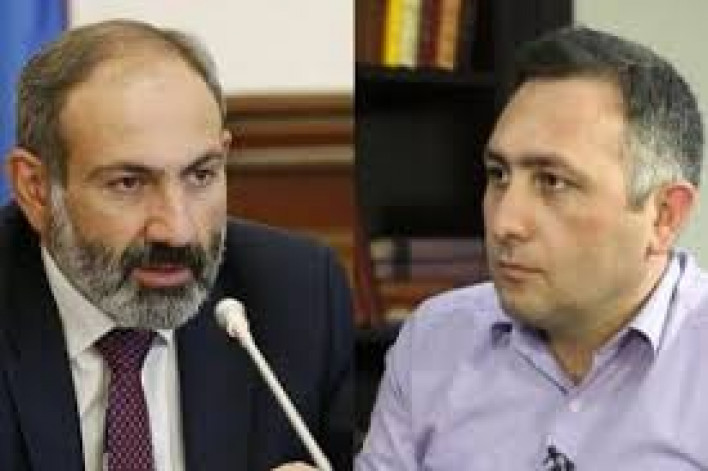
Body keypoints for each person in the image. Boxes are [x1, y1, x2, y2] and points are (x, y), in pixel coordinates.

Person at [0, 19, 353, 471]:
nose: (178, 230)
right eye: (128, 183)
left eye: (200, 175)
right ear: (35, 189)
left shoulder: (300, 296)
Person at [356, 26, 708, 469]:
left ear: (664, 216)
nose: (504, 222)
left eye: (552, 182)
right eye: (499, 175)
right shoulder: (434, 340)